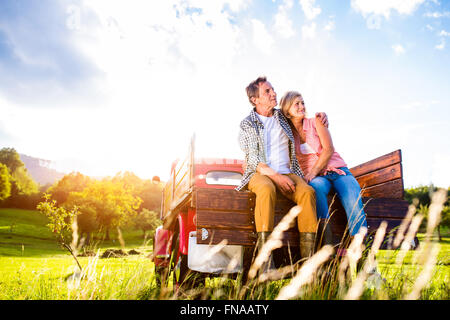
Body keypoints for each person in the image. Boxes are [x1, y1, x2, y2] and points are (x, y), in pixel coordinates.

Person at [236, 76, 329, 270]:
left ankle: (308, 262)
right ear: (255, 100)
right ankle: (264, 259)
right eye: (267, 92)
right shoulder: (247, 124)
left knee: (307, 192)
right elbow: (253, 159)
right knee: (266, 189)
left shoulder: (281, 117)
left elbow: (300, 115)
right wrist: (276, 177)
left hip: (288, 172)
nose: (273, 94)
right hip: (260, 173)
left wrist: (321, 116)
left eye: (273, 90)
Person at [279, 91, 368, 249]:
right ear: (287, 111)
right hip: (320, 178)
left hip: (339, 171)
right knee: (315, 189)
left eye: (302, 102)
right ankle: (327, 247)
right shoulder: (288, 134)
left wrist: (312, 173)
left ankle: (367, 263)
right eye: (296, 104)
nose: (302, 107)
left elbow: (328, 149)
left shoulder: (316, 122)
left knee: (353, 201)